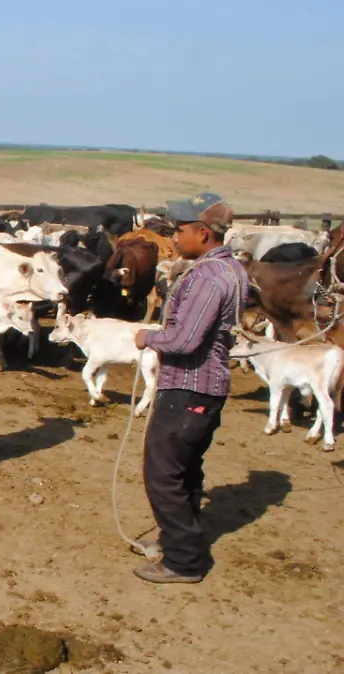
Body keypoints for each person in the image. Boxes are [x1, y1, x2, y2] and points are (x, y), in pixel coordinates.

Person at [131, 192, 249, 584]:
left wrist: (148, 337)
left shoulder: (207, 277)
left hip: (188, 387)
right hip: (206, 388)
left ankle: (183, 562)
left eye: (180, 230)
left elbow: (184, 341)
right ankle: (178, 542)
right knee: (185, 470)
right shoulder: (233, 269)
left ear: (203, 233)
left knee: (162, 474)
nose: (174, 237)